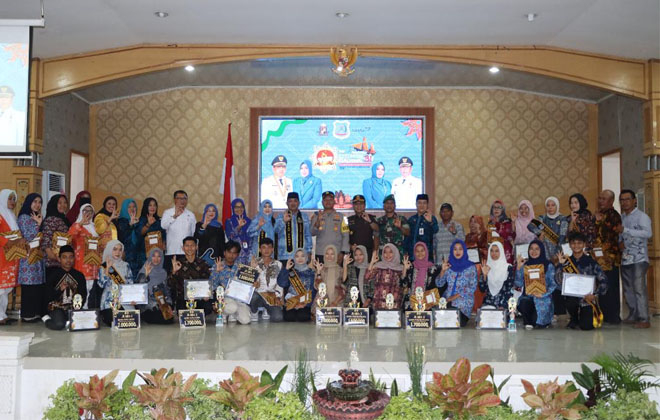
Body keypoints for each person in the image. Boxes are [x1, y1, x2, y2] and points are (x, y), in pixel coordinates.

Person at [556, 232, 608, 330]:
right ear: (570, 245)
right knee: (569, 302)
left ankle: (583, 316)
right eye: (573, 243)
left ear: (584, 244)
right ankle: (574, 318)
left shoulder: (591, 262)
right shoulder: (567, 262)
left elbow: (604, 280)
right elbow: (558, 281)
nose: (576, 246)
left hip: (587, 299)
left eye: (579, 243)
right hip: (572, 297)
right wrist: (560, 265)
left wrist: (595, 295)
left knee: (586, 326)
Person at [527, 196, 569, 317]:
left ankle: (559, 311)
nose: (550, 208)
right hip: (543, 253)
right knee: (545, 280)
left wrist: (557, 255)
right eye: (548, 205)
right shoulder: (542, 218)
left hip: (557, 255)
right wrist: (539, 233)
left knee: (557, 280)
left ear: (557, 206)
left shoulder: (563, 219)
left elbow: (562, 237)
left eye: (553, 205)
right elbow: (530, 225)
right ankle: (546, 310)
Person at [619, 189, 652, 329]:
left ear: (634, 201)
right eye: (622, 200)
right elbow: (620, 235)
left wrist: (625, 231)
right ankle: (633, 315)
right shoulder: (622, 217)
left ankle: (644, 318)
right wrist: (619, 241)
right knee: (628, 289)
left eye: (627, 199)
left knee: (639, 288)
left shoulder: (642, 216)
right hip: (625, 258)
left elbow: (648, 233)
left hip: (639, 258)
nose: (624, 202)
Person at [591, 190, 623, 324]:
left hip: (609, 259)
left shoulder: (614, 216)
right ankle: (602, 314)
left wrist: (598, 222)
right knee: (600, 287)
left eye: (604, 199)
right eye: (600, 198)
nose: (600, 201)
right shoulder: (598, 215)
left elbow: (608, 235)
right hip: (597, 259)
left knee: (611, 287)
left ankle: (613, 317)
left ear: (611, 201)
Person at [515, 239, 557, 329]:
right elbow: (518, 284)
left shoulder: (548, 265)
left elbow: (553, 284)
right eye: (531, 249)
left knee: (538, 323)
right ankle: (529, 321)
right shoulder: (525, 265)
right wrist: (518, 268)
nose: (533, 251)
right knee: (523, 303)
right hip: (528, 296)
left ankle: (537, 321)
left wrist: (543, 294)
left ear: (542, 250)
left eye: (537, 249)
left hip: (543, 298)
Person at [43, 245, 87, 331]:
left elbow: (83, 294)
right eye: (64, 257)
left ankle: (68, 319)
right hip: (57, 308)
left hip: (73, 308)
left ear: (74, 258)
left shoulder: (79, 275)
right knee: (59, 325)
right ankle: (46, 319)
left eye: (71, 257)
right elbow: (47, 296)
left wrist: (77, 306)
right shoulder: (53, 275)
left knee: (86, 323)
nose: (68, 260)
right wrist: (60, 290)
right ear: (59, 259)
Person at [17, 193, 46, 322]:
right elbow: (29, 236)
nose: (37, 204)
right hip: (28, 258)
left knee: (37, 286)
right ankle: (27, 315)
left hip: (38, 257)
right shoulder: (24, 217)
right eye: (34, 201)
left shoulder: (37, 217)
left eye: (39, 202)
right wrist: (38, 224)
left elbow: (41, 237)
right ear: (29, 202)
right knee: (29, 286)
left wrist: (39, 223)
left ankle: (35, 312)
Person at [436, 240, 478, 327]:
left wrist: (454, 297)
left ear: (464, 251)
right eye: (455, 249)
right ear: (452, 251)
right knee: (440, 321)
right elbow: (439, 284)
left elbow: (472, 287)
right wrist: (443, 271)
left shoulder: (471, 267)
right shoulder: (448, 266)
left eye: (460, 249)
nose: (458, 252)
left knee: (455, 322)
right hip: (446, 301)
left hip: (463, 303)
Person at [168, 236, 212, 312]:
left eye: (192, 245)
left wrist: (207, 293)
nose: (190, 248)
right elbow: (170, 285)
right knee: (183, 311)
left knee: (207, 308)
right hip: (183, 298)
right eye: (187, 246)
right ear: (183, 248)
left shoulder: (203, 263)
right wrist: (174, 272)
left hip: (199, 297)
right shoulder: (178, 263)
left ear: (196, 247)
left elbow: (208, 281)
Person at [68, 203, 100, 307]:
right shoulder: (76, 225)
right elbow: (69, 237)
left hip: (93, 260)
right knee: (81, 286)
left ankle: (86, 309)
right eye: (85, 211)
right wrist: (80, 224)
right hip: (81, 261)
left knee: (90, 287)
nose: (88, 213)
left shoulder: (94, 226)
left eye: (90, 211)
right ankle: (78, 310)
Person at [97, 240, 135, 326]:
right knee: (117, 320)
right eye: (115, 249)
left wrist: (133, 297)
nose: (117, 252)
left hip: (124, 300)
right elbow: (101, 284)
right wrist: (108, 269)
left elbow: (130, 284)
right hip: (109, 302)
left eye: (120, 249)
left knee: (131, 321)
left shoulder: (126, 265)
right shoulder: (104, 266)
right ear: (109, 250)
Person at [210, 241, 248, 323]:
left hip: (238, 298)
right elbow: (212, 286)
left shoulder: (242, 267)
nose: (231, 255)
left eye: (234, 253)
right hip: (224, 297)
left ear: (237, 255)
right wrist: (217, 271)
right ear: (224, 253)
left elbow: (247, 286)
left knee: (246, 320)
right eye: (229, 252)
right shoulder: (217, 265)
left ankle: (233, 314)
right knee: (232, 307)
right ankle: (223, 313)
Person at [248, 238, 284, 322]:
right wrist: (252, 270)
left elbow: (280, 283)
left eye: (269, 247)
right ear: (260, 249)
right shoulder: (254, 262)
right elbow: (248, 281)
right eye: (264, 247)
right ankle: (254, 311)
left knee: (278, 318)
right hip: (258, 294)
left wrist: (278, 297)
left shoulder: (279, 264)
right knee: (253, 296)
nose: (266, 250)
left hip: (272, 296)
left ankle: (266, 310)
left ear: (272, 249)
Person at [135, 247, 174, 324]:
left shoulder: (163, 273)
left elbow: (167, 291)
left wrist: (168, 304)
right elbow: (138, 290)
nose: (156, 259)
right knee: (160, 317)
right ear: (150, 257)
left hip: (161, 302)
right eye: (153, 256)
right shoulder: (144, 270)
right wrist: (145, 275)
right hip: (147, 305)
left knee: (168, 318)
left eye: (159, 256)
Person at [277, 248, 316, 322]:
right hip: (291, 302)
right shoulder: (291, 271)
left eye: (302, 256)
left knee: (303, 316)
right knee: (289, 317)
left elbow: (313, 290)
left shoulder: (311, 273)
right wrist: (286, 269)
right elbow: (281, 283)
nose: (300, 258)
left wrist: (306, 304)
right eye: (297, 256)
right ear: (294, 258)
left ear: (306, 258)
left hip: (305, 303)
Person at [365, 243, 409, 310]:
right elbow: (367, 278)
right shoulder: (378, 266)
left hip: (394, 305)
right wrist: (372, 262)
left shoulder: (400, 268)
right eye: (385, 252)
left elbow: (404, 284)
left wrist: (405, 269)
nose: (387, 255)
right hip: (378, 304)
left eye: (390, 252)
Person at [161, 190, 196, 271]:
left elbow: (193, 233)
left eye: (184, 198)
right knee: (171, 277)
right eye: (179, 198)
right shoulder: (168, 212)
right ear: (174, 200)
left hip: (187, 253)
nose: (182, 201)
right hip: (171, 251)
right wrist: (174, 216)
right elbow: (163, 225)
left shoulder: (191, 215)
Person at [311, 191, 350, 263]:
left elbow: (346, 235)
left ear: (334, 201)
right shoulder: (316, 216)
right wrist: (317, 222)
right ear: (322, 202)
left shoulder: (343, 217)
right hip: (321, 253)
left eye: (330, 200)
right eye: (325, 200)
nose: (328, 202)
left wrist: (342, 252)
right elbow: (312, 233)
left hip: (336, 253)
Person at [274, 192, 312, 263]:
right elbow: (275, 231)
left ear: (299, 203)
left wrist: (309, 251)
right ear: (286, 203)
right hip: (284, 256)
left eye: (295, 201)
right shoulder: (280, 216)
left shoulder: (304, 217)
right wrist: (283, 221)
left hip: (301, 257)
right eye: (290, 201)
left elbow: (308, 235)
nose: (293, 203)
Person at [0, 189, 20, 325]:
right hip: (2, 256)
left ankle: (2, 314)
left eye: (14, 199)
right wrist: (9, 242)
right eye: (10, 199)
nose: (12, 202)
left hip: (12, 256)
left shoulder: (11, 216)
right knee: (0, 288)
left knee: (6, 288)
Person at [403, 242, 440, 309]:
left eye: (422, 251)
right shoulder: (411, 267)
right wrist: (405, 269)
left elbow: (435, 287)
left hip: (428, 305)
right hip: (411, 305)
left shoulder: (433, 268)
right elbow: (403, 284)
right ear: (414, 253)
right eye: (417, 251)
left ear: (426, 251)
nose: (420, 253)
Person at [479, 242, 515, 309]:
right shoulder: (486, 267)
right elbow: (482, 289)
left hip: (504, 301)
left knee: (499, 316)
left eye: (496, 251)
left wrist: (503, 305)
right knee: (485, 316)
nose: (494, 253)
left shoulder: (508, 268)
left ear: (501, 252)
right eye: (491, 251)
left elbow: (510, 289)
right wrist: (484, 275)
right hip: (489, 301)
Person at [41, 194, 70, 274]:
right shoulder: (51, 219)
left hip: (63, 262)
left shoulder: (64, 219)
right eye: (59, 203)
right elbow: (46, 241)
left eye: (65, 203)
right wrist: (54, 257)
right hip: (53, 264)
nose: (63, 205)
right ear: (54, 204)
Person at [405, 194, 439, 261]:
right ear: (416, 204)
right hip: (412, 257)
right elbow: (407, 238)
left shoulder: (431, 218)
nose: (422, 205)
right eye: (419, 203)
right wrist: (405, 252)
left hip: (427, 257)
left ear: (427, 205)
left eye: (424, 203)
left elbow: (436, 230)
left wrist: (430, 222)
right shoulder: (411, 220)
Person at [136, 197, 166, 271]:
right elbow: (140, 233)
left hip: (158, 254)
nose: (152, 207)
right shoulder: (142, 219)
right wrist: (148, 224)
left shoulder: (159, 220)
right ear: (146, 207)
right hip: (144, 254)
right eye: (150, 205)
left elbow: (164, 234)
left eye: (154, 205)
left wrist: (164, 244)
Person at [347, 195, 378, 261]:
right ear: (353, 206)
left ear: (365, 205)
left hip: (368, 253)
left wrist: (369, 221)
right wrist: (350, 246)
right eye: (356, 204)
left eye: (361, 204)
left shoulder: (371, 218)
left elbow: (377, 229)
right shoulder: (348, 220)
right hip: (354, 254)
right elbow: (344, 237)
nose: (358, 206)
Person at [116, 198, 141, 277]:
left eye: (134, 207)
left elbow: (140, 238)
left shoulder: (138, 221)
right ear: (124, 208)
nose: (132, 209)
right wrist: (130, 224)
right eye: (129, 207)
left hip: (137, 256)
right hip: (125, 255)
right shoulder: (121, 221)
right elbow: (122, 237)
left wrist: (136, 225)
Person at [224, 198, 252, 265]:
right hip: (235, 254)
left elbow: (252, 236)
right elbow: (230, 237)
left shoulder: (249, 221)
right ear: (233, 208)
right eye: (236, 207)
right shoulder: (229, 221)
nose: (239, 209)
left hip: (249, 253)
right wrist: (239, 227)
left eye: (241, 206)